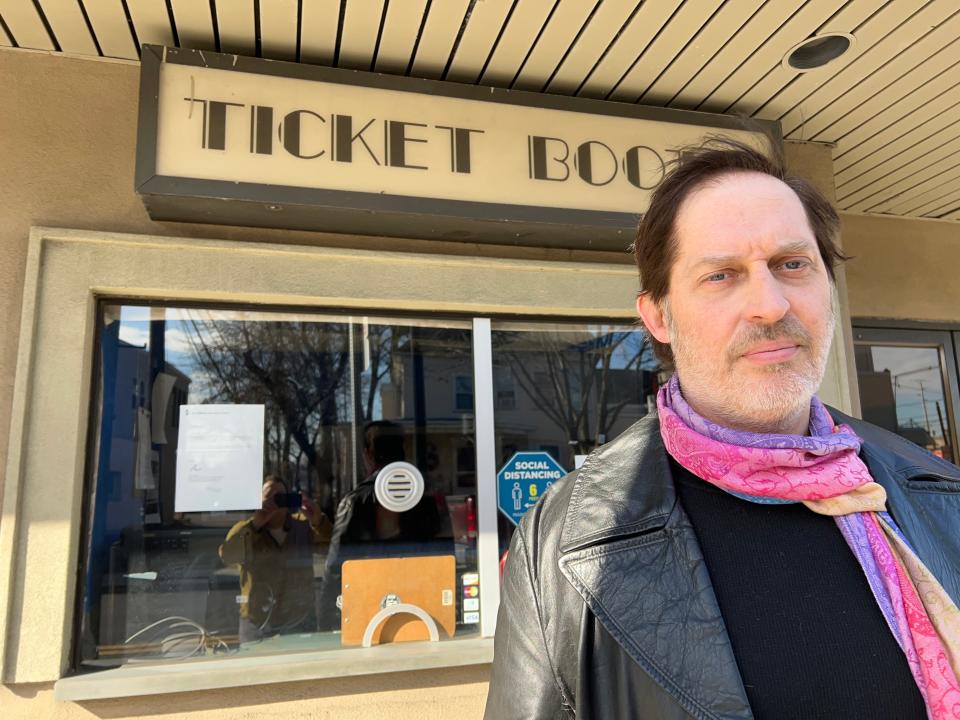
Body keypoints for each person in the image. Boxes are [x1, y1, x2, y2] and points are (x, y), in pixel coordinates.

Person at [485, 137, 960, 720]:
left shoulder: (937, 492)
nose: (770, 304)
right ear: (658, 316)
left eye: (792, 265)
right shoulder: (561, 548)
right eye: (722, 275)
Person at [219, 475, 332, 643]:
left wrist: (318, 520)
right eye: (269, 497)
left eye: (280, 497)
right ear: (259, 501)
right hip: (257, 621)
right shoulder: (247, 530)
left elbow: (333, 549)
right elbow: (227, 556)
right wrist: (255, 525)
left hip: (299, 618)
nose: (275, 502)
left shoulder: (304, 525)